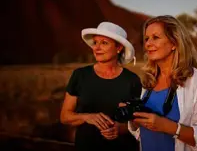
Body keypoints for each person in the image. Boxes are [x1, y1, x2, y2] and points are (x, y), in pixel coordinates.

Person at [128, 15, 197, 151]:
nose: (148, 43)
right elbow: (141, 134)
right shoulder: (148, 81)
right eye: (146, 38)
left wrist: (167, 126)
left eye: (156, 37)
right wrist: (133, 119)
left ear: (174, 43)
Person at [60, 22, 142, 151]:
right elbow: (65, 116)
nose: (97, 48)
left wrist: (120, 129)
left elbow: (139, 121)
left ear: (119, 47)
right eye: (95, 43)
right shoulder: (80, 75)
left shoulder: (132, 80)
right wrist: (87, 117)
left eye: (104, 43)